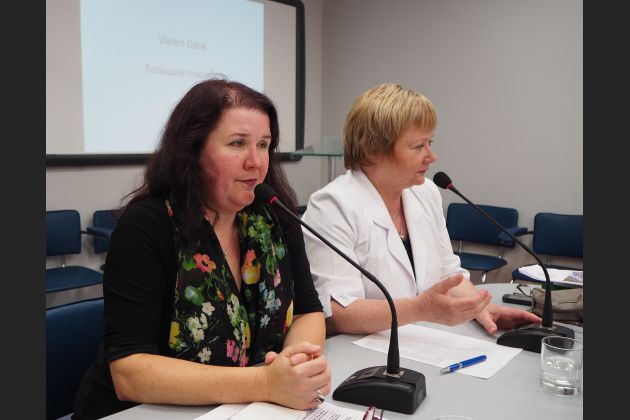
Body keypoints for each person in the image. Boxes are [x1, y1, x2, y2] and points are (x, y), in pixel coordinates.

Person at [73, 79, 330, 419]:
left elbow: (308, 311)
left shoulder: (275, 215)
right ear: (192, 151)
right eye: (238, 143)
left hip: (247, 407)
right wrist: (266, 383)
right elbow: (129, 372)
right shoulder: (147, 225)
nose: (256, 161)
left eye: (264, 144)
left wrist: (292, 366)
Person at [301, 82, 541, 336]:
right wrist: (420, 309)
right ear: (373, 151)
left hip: (421, 338)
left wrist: (482, 309)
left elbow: (448, 274)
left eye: (430, 142)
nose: (431, 156)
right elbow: (337, 313)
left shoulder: (425, 192)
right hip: (361, 347)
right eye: (418, 146)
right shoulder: (333, 206)